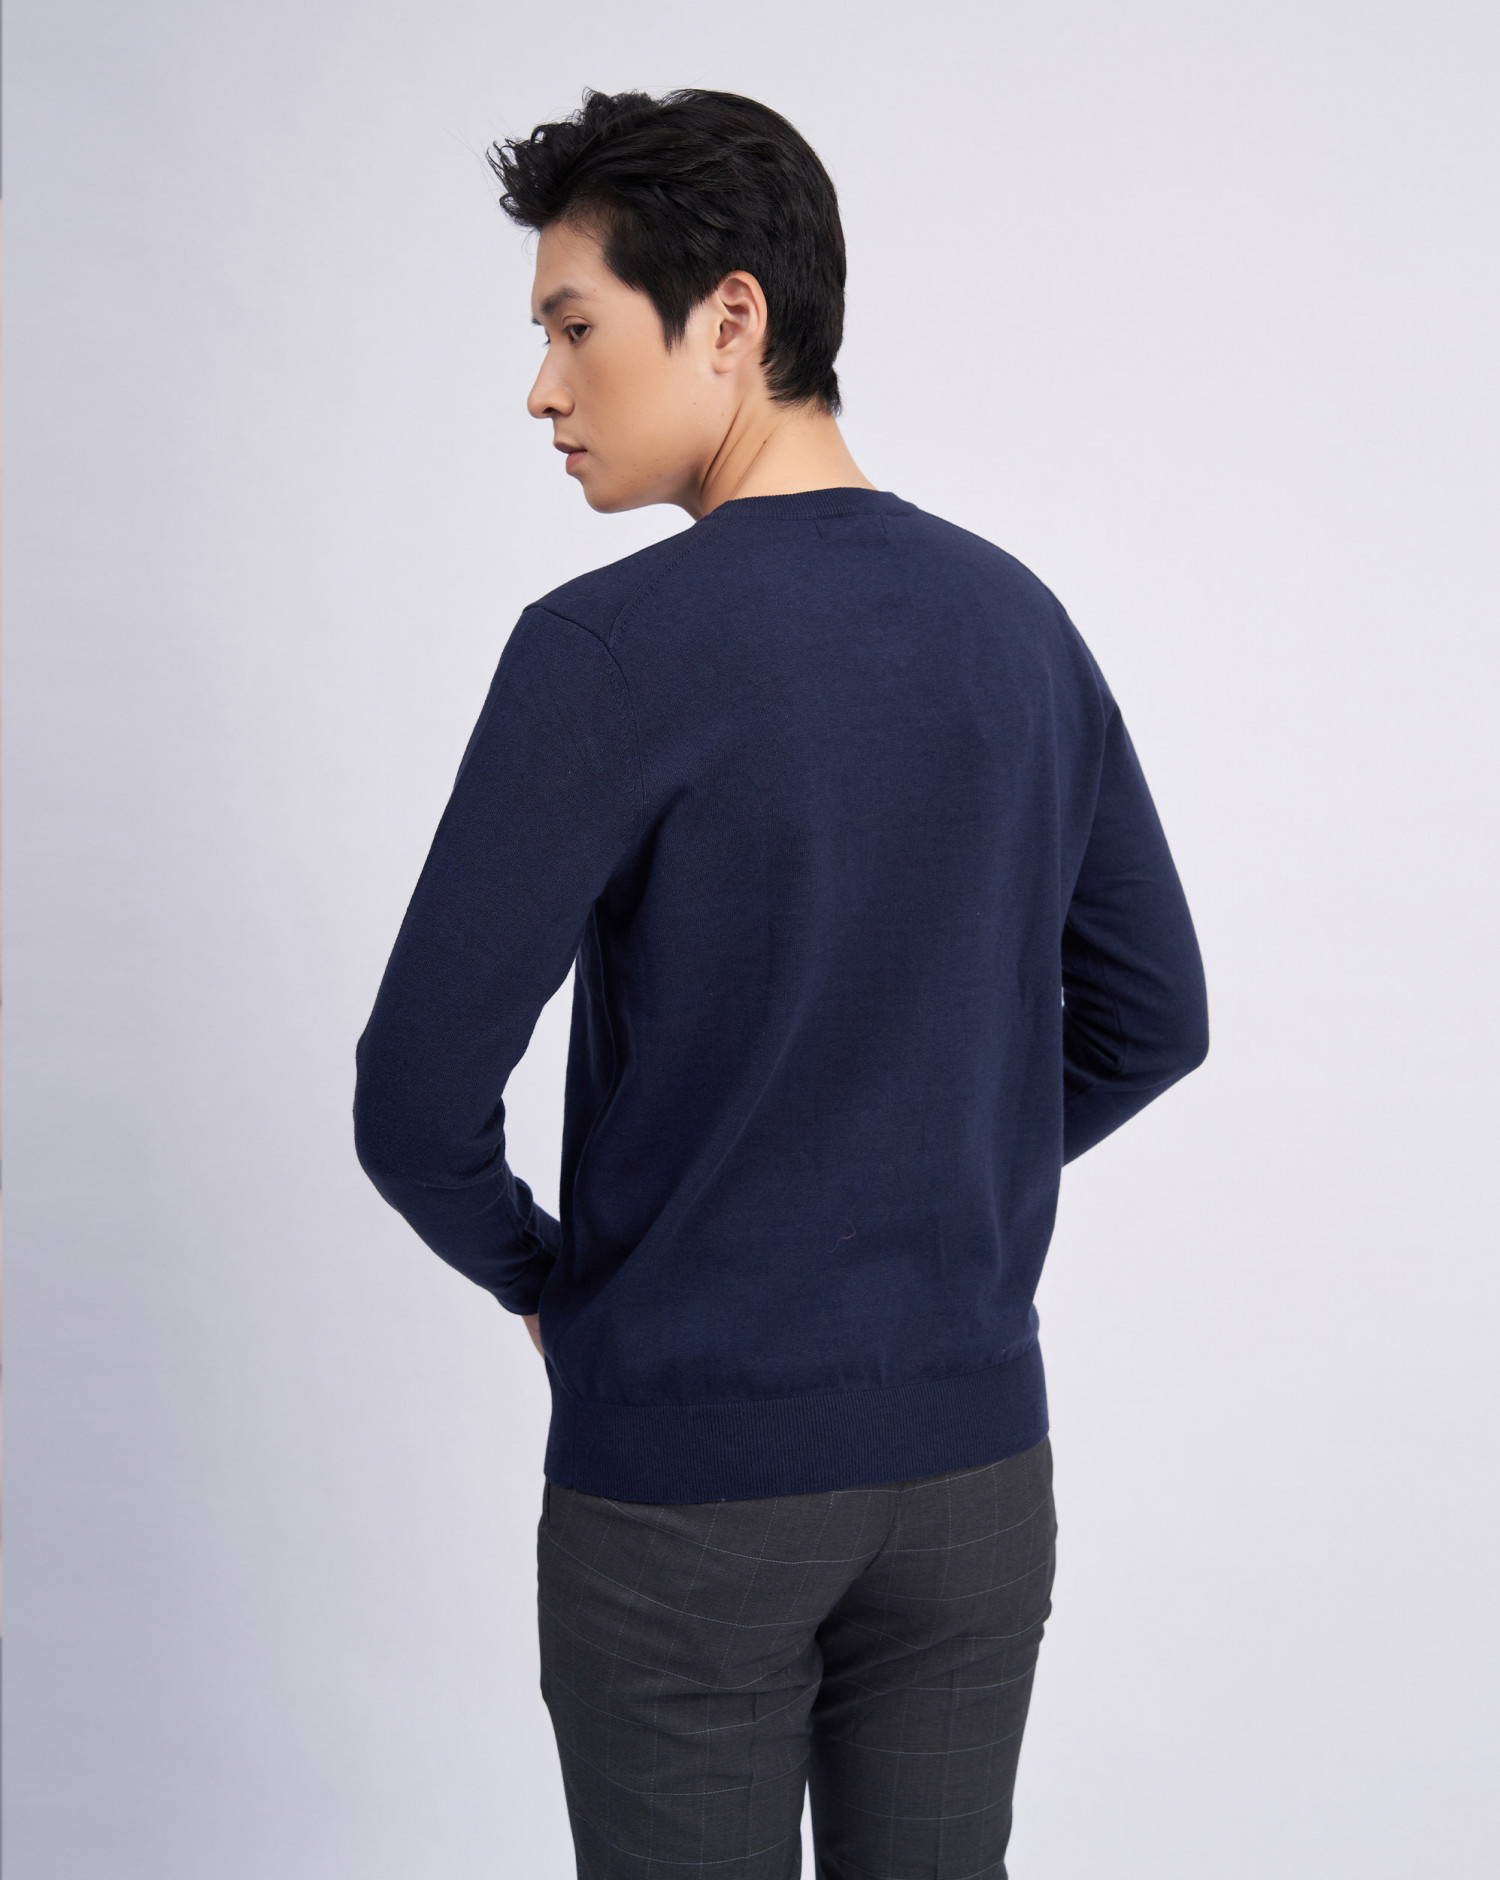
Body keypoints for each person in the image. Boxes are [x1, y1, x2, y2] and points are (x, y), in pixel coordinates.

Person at [353, 85, 1208, 1880]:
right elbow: (1156, 1019)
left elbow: (414, 1104)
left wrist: (558, 1284)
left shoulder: (606, 651)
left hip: (690, 1493)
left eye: (573, 327)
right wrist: (945, 1171)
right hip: (975, 1478)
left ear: (729, 318)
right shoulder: (1019, 625)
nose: (542, 390)